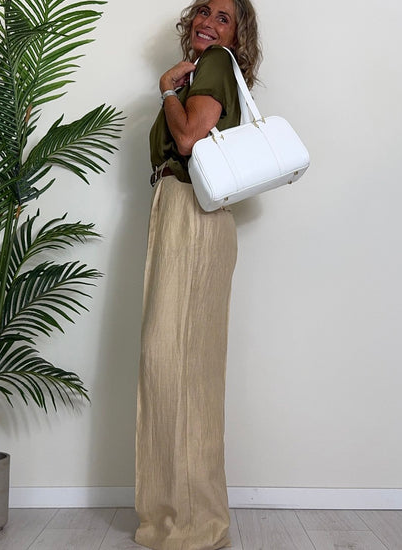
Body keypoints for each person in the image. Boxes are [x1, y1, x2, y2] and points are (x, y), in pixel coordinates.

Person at [135, 1, 262, 548]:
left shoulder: (212, 66)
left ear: (237, 35)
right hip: (186, 213)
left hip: (191, 213)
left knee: (176, 365)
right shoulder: (205, 72)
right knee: (177, 366)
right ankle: (177, 517)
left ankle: (192, 524)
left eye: (224, 17)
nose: (208, 21)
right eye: (204, 11)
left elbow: (187, 140)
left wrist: (167, 90)